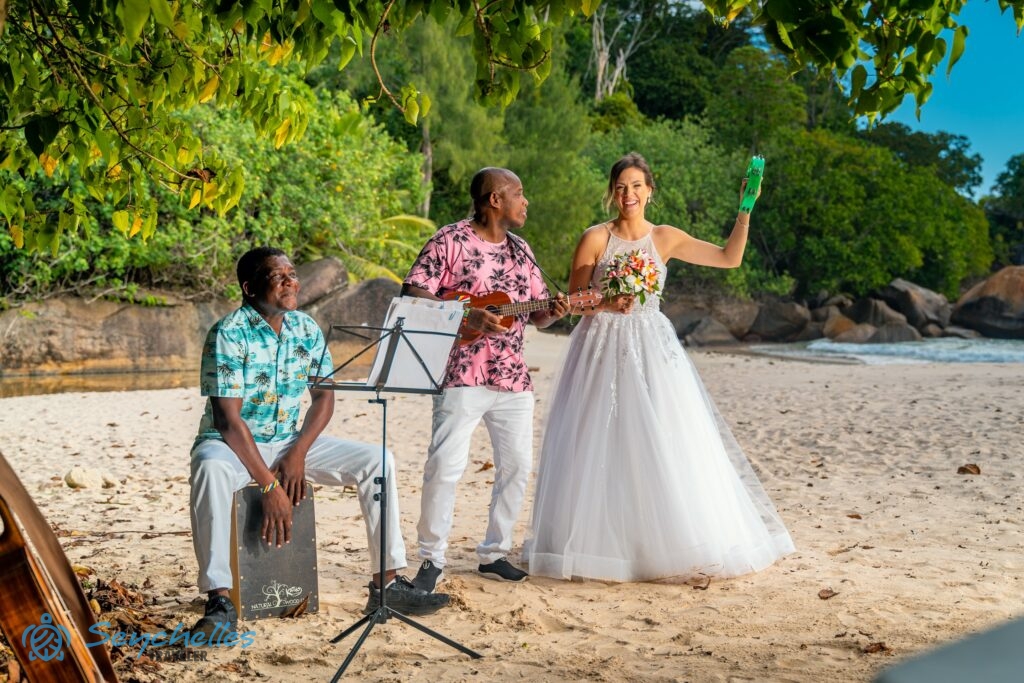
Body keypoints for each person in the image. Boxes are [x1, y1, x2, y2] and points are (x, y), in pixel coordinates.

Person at [523, 152, 795, 582]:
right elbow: (575, 304)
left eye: (635, 186)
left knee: (663, 436)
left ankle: (659, 543)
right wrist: (607, 302)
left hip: (652, 346)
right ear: (612, 194)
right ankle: (599, 544)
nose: (627, 194)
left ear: (650, 190)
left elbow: (729, 259)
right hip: (599, 346)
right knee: (597, 439)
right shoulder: (595, 238)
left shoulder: (665, 238)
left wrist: (746, 209)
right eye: (620, 187)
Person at [189, 247, 449, 637]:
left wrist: (298, 453)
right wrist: (270, 484)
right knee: (208, 469)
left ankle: (387, 585)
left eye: (293, 274)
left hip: (290, 440)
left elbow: (324, 398)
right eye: (278, 276)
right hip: (232, 445)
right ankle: (219, 599)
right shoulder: (229, 332)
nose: (291, 282)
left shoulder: (305, 329)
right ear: (248, 287)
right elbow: (228, 421)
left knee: (378, 460)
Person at [401, 167, 571, 592]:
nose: (525, 201)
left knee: (516, 467)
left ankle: (495, 553)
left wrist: (557, 310)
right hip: (461, 372)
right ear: (495, 200)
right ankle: (431, 559)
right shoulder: (450, 239)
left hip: (512, 375)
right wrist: (465, 314)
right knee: (445, 466)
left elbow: (538, 315)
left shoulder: (522, 250)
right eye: (519, 193)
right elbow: (412, 292)